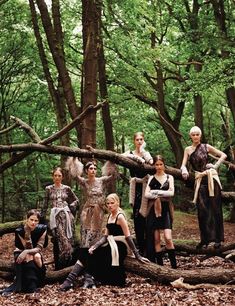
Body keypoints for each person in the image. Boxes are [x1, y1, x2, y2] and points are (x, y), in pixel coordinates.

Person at [60, 193, 149, 291]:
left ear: (117, 203)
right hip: (110, 244)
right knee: (84, 251)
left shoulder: (120, 217)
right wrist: (95, 246)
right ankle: (73, 280)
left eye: (112, 203)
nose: (110, 205)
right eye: (108, 203)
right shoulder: (110, 216)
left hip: (120, 246)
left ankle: (82, 279)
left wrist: (137, 255)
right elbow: (105, 237)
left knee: (88, 254)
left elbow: (128, 237)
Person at [181, 126, 227, 249]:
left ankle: (218, 239)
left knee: (215, 209)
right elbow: (183, 165)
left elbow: (223, 155)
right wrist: (184, 170)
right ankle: (205, 239)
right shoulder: (188, 150)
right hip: (200, 180)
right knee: (202, 211)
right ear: (190, 136)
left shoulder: (206, 147)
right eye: (193, 134)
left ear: (200, 135)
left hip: (211, 179)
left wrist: (215, 165)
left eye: (197, 134)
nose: (195, 136)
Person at [1, 209, 48, 295]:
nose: (33, 222)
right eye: (31, 219)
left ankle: (40, 279)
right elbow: (24, 247)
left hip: (32, 251)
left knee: (37, 257)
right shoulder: (20, 231)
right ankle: (30, 287)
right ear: (27, 219)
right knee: (28, 257)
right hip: (20, 251)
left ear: (38, 221)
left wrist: (26, 252)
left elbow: (39, 248)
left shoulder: (42, 229)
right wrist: (26, 252)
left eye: (36, 220)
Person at [123, 132, 153, 255]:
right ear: (134, 141)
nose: (139, 141)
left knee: (147, 217)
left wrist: (143, 151)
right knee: (137, 217)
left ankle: (149, 248)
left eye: (141, 139)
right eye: (137, 140)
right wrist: (135, 157)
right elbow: (118, 157)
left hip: (146, 187)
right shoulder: (129, 154)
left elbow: (151, 163)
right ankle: (140, 248)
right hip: (135, 188)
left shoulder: (146, 154)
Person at [43, 167, 79, 270]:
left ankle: (70, 264)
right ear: (52, 177)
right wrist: (41, 218)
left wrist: (71, 206)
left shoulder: (67, 188)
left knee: (69, 239)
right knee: (59, 239)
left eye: (59, 176)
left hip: (67, 216)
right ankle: (60, 265)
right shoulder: (48, 189)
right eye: (55, 175)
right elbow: (45, 204)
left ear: (62, 177)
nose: (57, 177)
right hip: (55, 216)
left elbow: (76, 200)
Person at [144, 155, 177, 268]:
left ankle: (174, 267)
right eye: (156, 164)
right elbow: (146, 194)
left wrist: (156, 192)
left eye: (160, 164)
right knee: (156, 239)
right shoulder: (151, 178)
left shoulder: (169, 177)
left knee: (168, 237)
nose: (158, 167)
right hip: (154, 210)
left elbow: (171, 193)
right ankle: (160, 267)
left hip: (166, 208)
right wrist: (163, 192)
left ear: (164, 165)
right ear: (154, 165)